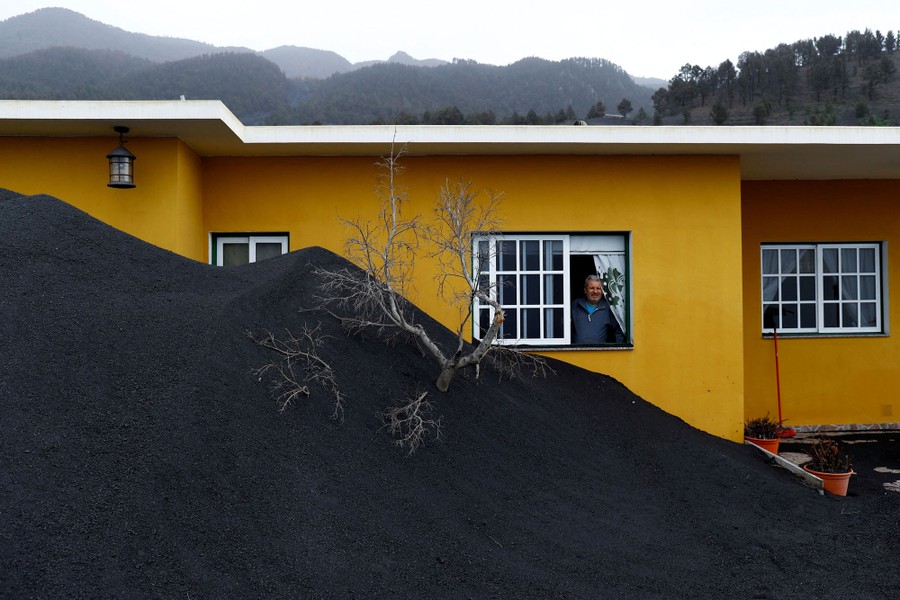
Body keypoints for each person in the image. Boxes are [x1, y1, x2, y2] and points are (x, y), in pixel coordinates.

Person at [572, 274, 625, 344]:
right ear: (585, 290)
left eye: (598, 288)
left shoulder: (608, 308)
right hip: (575, 353)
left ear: (602, 291)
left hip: (601, 353)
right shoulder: (575, 305)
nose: (595, 291)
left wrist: (619, 348)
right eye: (591, 288)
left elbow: (619, 329)